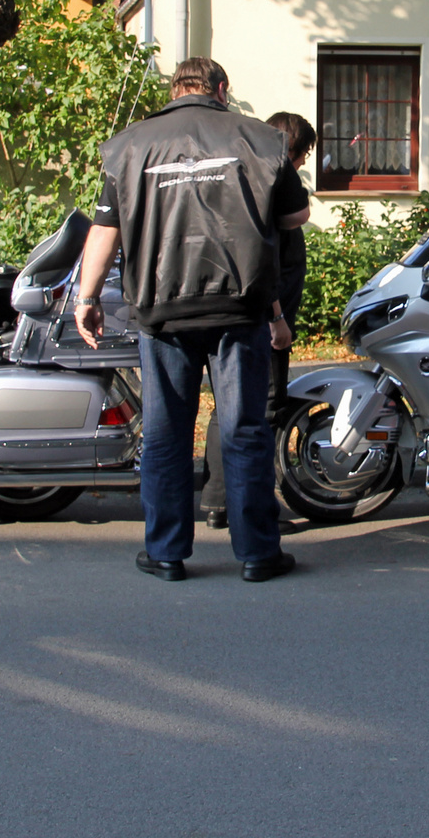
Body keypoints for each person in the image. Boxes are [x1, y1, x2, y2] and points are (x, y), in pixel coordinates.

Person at [74, 57, 311, 582]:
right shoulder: (260, 139)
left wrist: (85, 296)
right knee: (245, 429)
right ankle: (256, 554)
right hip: (240, 306)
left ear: (175, 89)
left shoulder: (131, 145)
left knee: (164, 432)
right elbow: (296, 216)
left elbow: (104, 229)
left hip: (161, 310)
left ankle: (165, 552)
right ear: (221, 89)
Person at [201, 112, 316, 532]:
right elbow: (264, 265)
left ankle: (218, 501)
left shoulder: (245, 184)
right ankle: (256, 509)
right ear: (290, 150)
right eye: (303, 154)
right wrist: (278, 320)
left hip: (242, 315)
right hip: (266, 320)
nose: (303, 163)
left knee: (226, 408)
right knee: (263, 411)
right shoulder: (273, 192)